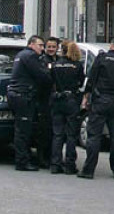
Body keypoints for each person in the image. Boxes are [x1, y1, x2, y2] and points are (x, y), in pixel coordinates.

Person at [79, 37, 114, 179]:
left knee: (94, 136)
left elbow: (92, 79)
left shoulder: (102, 58)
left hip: (101, 100)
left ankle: (88, 170)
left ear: (112, 45)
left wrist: (86, 98)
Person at [7, 36, 51, 171]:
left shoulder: (21, 54)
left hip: (17, 94)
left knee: (21, 128)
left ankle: (23, 159)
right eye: (40, 45)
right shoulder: (30, 56)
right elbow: (42, 76)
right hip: (23, 95)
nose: (42, 49)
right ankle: (22, 161)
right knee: (23, 130)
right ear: (31, 44)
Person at [49, 41, 85, 175]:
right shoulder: (77, 65)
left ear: (61, 50)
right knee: (71, 135)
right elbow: (81, 81)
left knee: (57, 134)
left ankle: (55, 164)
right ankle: (70, 165)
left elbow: (51, 80)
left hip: (58, 99)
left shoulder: (55, 64)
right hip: (71, 100)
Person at [34, 37, 60, 168]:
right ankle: (42, 158)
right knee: (43, 130)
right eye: (48, 46)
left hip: (56, 100)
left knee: (53, 131)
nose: (50, 49)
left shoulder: (60, 60)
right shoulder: (42, 60)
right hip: (44, 99)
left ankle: (52, 157)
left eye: (53, 47)